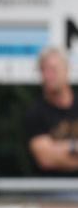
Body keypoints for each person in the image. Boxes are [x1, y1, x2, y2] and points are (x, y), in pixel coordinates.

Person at [26, 47, 78, 175]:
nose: (48, 76)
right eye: (44, 70)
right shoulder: (36, 113)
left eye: (53, 70)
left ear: (66, 70)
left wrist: (59, 149)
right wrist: (73, 146)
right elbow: (46, 159)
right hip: (50, 191)